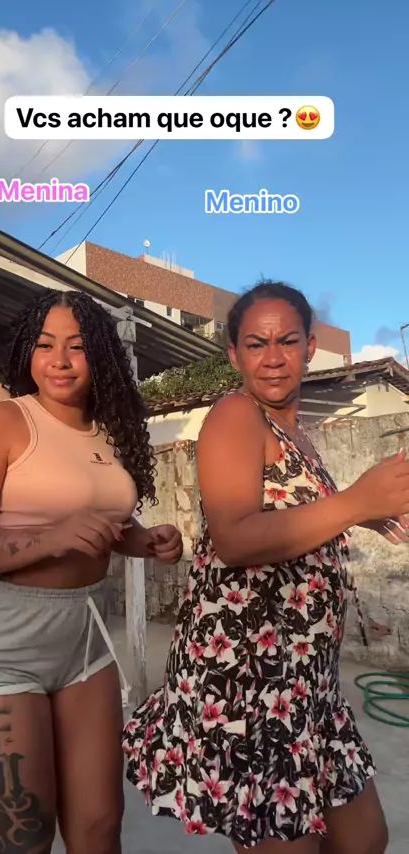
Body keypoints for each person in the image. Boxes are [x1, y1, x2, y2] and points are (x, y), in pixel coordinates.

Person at [123, 280, 409, 853]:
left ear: (310, 348)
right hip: (249, 685)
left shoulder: (298, 435)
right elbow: (235, 538)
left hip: (308, 685)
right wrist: (355, 503)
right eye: (256, 344)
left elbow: (297, 515)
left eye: (288, 341)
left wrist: (364, 513)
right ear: (234, 355)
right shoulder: (235, 415)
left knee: (364, 840)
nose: (273, 357)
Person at [0, 288, 183, 854]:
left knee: (100, 826)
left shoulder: (111, 432)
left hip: (82, 638)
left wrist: (145, 541)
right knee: (23, 836)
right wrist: (49, 537)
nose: (60, 360)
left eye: (77, 345)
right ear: (28, 353)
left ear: (101, 354)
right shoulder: (3, 422)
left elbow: (107, 526)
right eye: (45, 345)